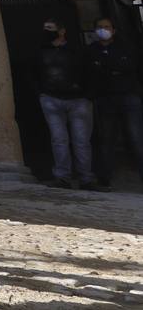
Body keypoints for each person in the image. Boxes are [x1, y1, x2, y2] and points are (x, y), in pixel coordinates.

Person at [36, 19, 97, 189]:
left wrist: (86, 95)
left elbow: (90, 72)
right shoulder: (41, 51)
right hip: (52, 99)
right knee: (59, 139)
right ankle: (63, 177)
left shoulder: (77, 51)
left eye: (50, 28)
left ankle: (86, 178)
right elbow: (34, 73)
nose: (47, 31)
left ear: (62, 31)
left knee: (81, 140)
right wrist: (41, 93)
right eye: (45, 28)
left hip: (78, 100)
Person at [87, 17, 143, 190]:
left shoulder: (126, 48)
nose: (103, 30)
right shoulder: (91, 51)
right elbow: (91, 72)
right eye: (100, 27)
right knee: (106, 139)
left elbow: (130, 68)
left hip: (128, 96)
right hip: (105, 98)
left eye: (106, 27)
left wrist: (107, 67)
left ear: (113, 30)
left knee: (136, 138)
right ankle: (105, 178)